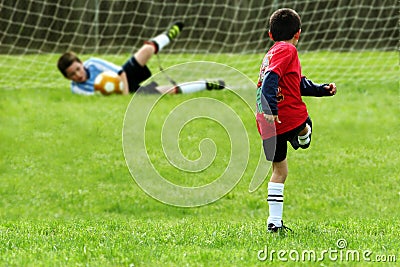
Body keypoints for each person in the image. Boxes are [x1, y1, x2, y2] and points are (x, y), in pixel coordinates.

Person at [255, 8, 337, 233]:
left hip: (266, 122)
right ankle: (303, 135)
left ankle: (274, 222)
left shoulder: (271, 52)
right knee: (304, 124)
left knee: (279, 172)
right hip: (286, 115)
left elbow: (297, 83)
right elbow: (271, 78)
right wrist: (272, 106)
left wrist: (321, 90)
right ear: (298, 33)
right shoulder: (288, 49)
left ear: (270, 35)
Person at [57, 22, 224, 95]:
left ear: (81, 62)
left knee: (145, 50)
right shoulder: (76, 89)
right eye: (72, 74)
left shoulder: (93, 63)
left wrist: (122, 97)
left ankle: (167, 35)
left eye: (78, 69)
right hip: (129, 92)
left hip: (125, 78)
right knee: (168, 92)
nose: (78, 75)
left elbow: (121, 72)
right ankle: (206, 84)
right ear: (67, 78)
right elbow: (95, 97)